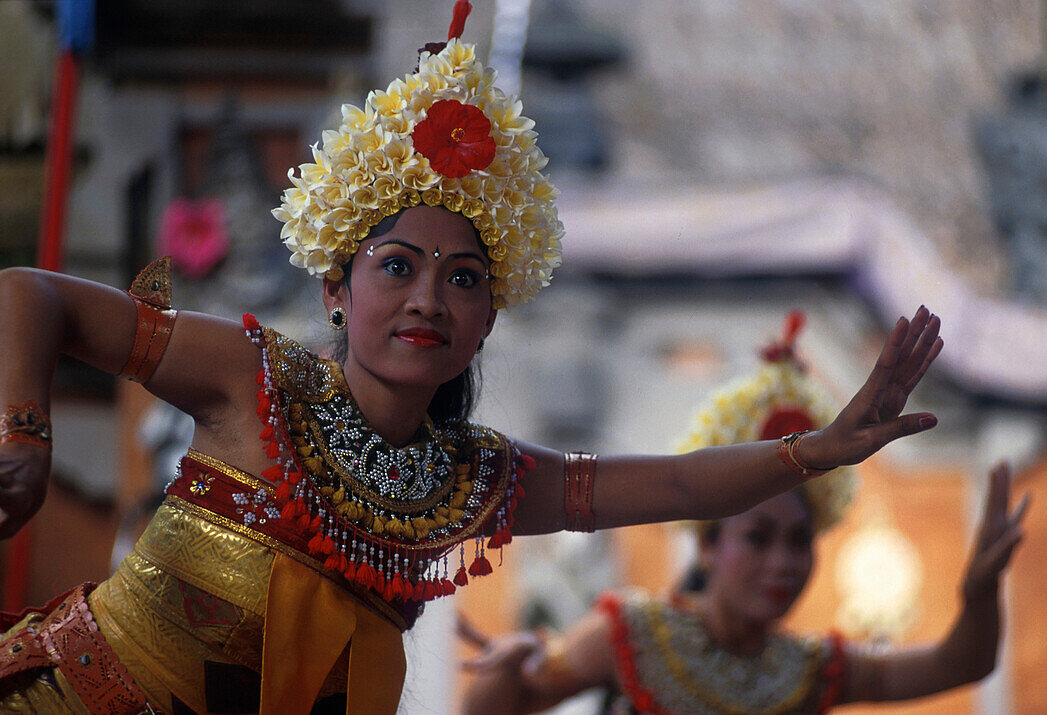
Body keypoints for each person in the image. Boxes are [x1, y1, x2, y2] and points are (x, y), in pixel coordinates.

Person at [0, 4, 942, 714]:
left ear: (488, 318)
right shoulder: (252, 378)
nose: (426, 300)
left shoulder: (475, 482)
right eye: (397, 267)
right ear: (336, 289)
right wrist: (27, 435)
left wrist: (815, 453)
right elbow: (28, 293)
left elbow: (683, 486)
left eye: (462, 280)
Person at [458, 316, 1027, 715]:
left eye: (800, 540)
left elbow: (961, 664)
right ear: (708, 546)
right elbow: (494, 708)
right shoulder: (631, 637)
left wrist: (980, 590)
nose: (783, 562)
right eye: (758, 537)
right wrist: (516, 663)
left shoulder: (810, 671)